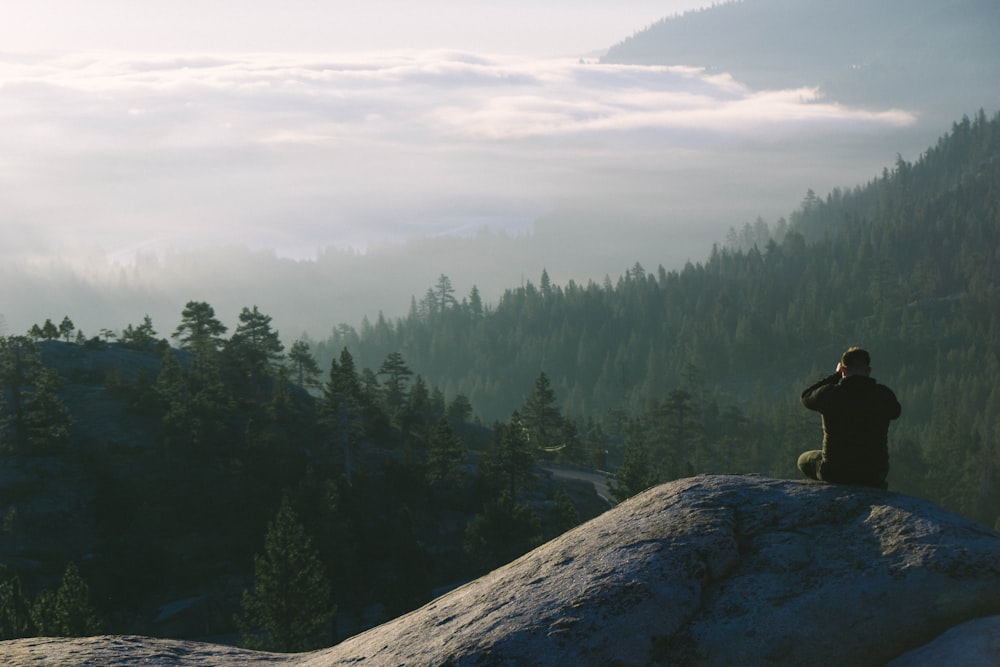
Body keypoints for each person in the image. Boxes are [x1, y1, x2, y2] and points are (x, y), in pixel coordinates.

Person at [797, 347, 901, 488]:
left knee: (803, 460)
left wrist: (835, 376)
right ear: (868, 371)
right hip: (874, 474)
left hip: (836, 472)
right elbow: (896, 412)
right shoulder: (883, 395)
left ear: (843, 371)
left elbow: (806, 396)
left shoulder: (830, 394)